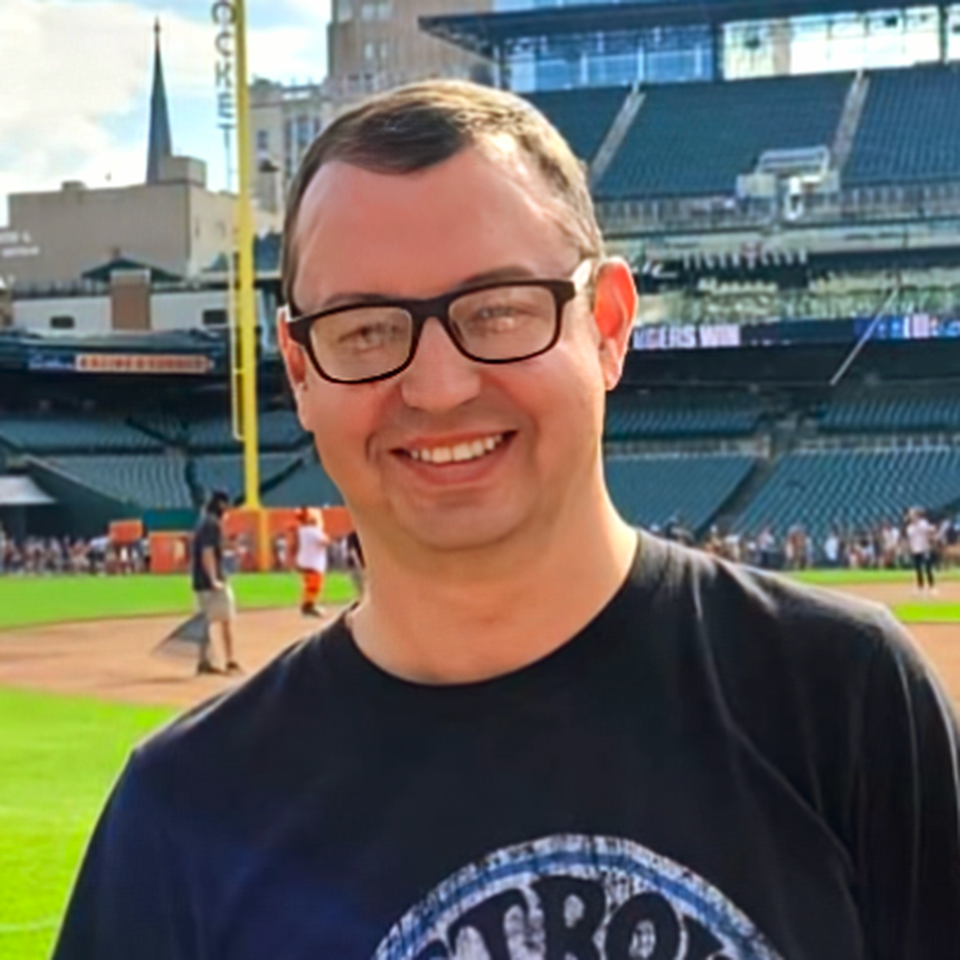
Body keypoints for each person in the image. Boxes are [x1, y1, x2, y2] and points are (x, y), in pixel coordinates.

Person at [52, 80, 959, 960]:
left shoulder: (844, 700)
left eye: (498, 312)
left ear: (607, 324)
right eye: (365, 329)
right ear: (299, 368)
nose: (438, 387)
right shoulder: (181, 813)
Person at [190, 489, 241, 675]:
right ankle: (230, 661)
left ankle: (203, 660)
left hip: (199, 581)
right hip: (211, 581)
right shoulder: (212, 524)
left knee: (204, 622)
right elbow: (208, 552)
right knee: (226, 620)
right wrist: (214, 579)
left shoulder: (203, 523)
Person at [295, 506, 330, 617]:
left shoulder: (303, 530)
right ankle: (307, 606)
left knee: (310, 585)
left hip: (306, 561)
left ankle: (309, 605)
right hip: (313, 563)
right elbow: (325, 541)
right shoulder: (312, 531)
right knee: (314, 586)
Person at [906, 506, 937, 594]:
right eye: (910, 515)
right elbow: (910, 540)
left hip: (924, 548)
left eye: (913, 515)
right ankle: (920, 587)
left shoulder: (923, 524)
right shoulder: (909, 528)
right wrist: (910, 549)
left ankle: (932, 587)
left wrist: (931, 536)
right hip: (916, 550)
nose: (911, 517)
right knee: (918, 569)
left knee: (928, 568)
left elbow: (931, 531)